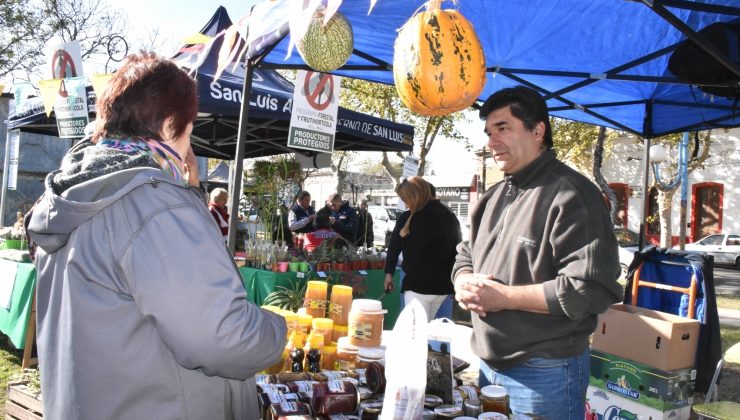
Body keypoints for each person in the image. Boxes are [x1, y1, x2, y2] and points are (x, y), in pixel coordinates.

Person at [26, 52, 287, 419]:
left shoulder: (76, 192)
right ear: (168, 126)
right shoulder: (155, 204)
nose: (189, 146)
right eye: (189, 129)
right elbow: (224, 337)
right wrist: (278, 329)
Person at [452, 85, 623, 419]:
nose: (492, 141)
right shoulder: (493, 196)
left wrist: (505, 298)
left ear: (538, 130)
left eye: (503, 128)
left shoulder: (573, 195)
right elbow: (465, 253)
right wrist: (463, 281)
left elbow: (590, 289)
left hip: (546, 372)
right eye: (489, 132)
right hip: (488, 366)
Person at [383, 176, 461, 322]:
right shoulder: (449, 215)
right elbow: (458, 250)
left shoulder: (415, 218)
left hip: (419, 286)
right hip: (442, 287)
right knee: (424, 333)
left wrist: (390, 272)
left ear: (415, 197)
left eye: (406, 200)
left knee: (414, 336)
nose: (405, 205)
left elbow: (405, 252)